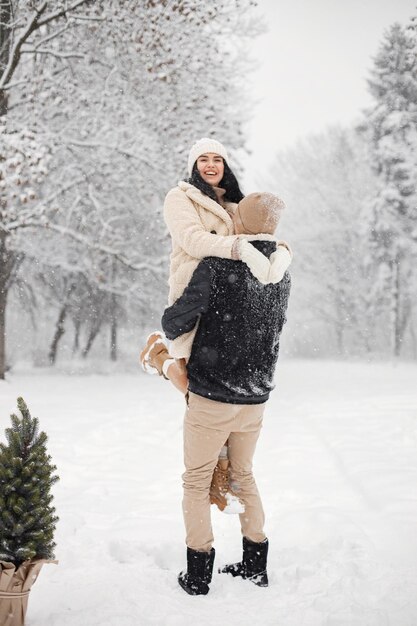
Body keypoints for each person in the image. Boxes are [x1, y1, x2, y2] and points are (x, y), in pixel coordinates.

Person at [140, 138, 292, 510]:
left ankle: (158, 360)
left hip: (227, 303)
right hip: (199, 295)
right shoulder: (180, 198)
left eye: (217, 159)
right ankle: (160, 359)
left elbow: (259, 231)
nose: (211, 165)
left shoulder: (233, 203)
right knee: (202, 388)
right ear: (194, 165)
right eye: (203, 159)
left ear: (226, 164)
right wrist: (239, 249)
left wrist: (276, 251)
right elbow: (192, 239)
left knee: (210, 390)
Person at [159, 192, 292, 595]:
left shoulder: (218, 266)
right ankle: (256, 566)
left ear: (241, 222)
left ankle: (198, 574)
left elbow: (176, 319)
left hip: (212, 395)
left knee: (197, 482)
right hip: (256, 397)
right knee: (244, 476)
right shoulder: (283, 270)